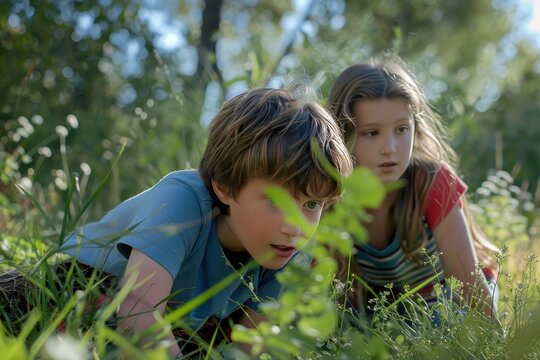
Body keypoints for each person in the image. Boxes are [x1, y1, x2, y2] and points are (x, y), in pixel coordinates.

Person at [62, 88, 353, 356]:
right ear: (224, 187)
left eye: (312, 204)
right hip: (82, 288)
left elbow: (246, 348)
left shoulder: (289, 250)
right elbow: (138, 310)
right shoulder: (182, 199)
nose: (296, 227)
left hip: (179, 324)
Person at [327, 54, 500, 321]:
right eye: (372, 133)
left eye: (401, 129)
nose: (391, 149)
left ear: (415, 128)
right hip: (387, 311)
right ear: (342, 134)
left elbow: (469, 286)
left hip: (449, 299)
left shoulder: (431, 181)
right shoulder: (328, 196)